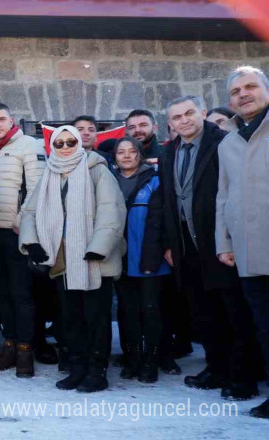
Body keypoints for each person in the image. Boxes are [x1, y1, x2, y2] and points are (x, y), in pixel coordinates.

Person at [160, 95, 261, 401]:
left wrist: (228, 238)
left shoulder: (224, 142)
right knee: (204, 314)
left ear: (202, 112)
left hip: (220, 243)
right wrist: (168, 243)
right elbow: (168, 199)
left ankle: (243, 377)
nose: (184, 120)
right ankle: (216, 368)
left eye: (189, 113)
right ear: (170, 124)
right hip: (186, 246)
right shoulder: (170, 153)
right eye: (176, 117)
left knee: (234, 314)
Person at [20, 126, 126, 393]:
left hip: (93, 258)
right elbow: (29, 211)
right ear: (52, 147)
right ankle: (77, 367)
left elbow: (111, 210)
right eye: (59, 143)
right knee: (71, 318)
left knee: (96, 318)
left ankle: (97, 370)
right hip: (62, 258)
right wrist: (31, 243)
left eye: (70, 142)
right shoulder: (49, 173)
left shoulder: (96, 169)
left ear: (79, 143)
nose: (65, 147)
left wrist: (98, 247)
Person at [216, 66, 269, 417]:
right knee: (265, 327)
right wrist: (224, 243)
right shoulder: (228, 142)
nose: (243, 94)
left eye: (250, 87)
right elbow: (223, 196)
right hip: (249, 253)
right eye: (236, 91)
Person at [0, 103, 46, 378]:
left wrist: (22, 221)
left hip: (17, 231)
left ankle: (25, 350)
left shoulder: (28, 145)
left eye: (1, 119)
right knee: (1, 294)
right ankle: (9, 345)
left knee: (22, 294)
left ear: (11, 120)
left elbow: (38, 186)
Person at [111, 136, 172, 383]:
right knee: (128, 311)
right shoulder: (110, 182)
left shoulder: (155, 179)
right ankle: (132, 357)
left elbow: (164, 218)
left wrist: (165, 247)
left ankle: (151, 360)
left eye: (131, 151)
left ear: (139, 154)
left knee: (151, 310)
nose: (126, 156)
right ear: (114, 157)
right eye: (121, 152)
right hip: (121, 256)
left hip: (149, 255)